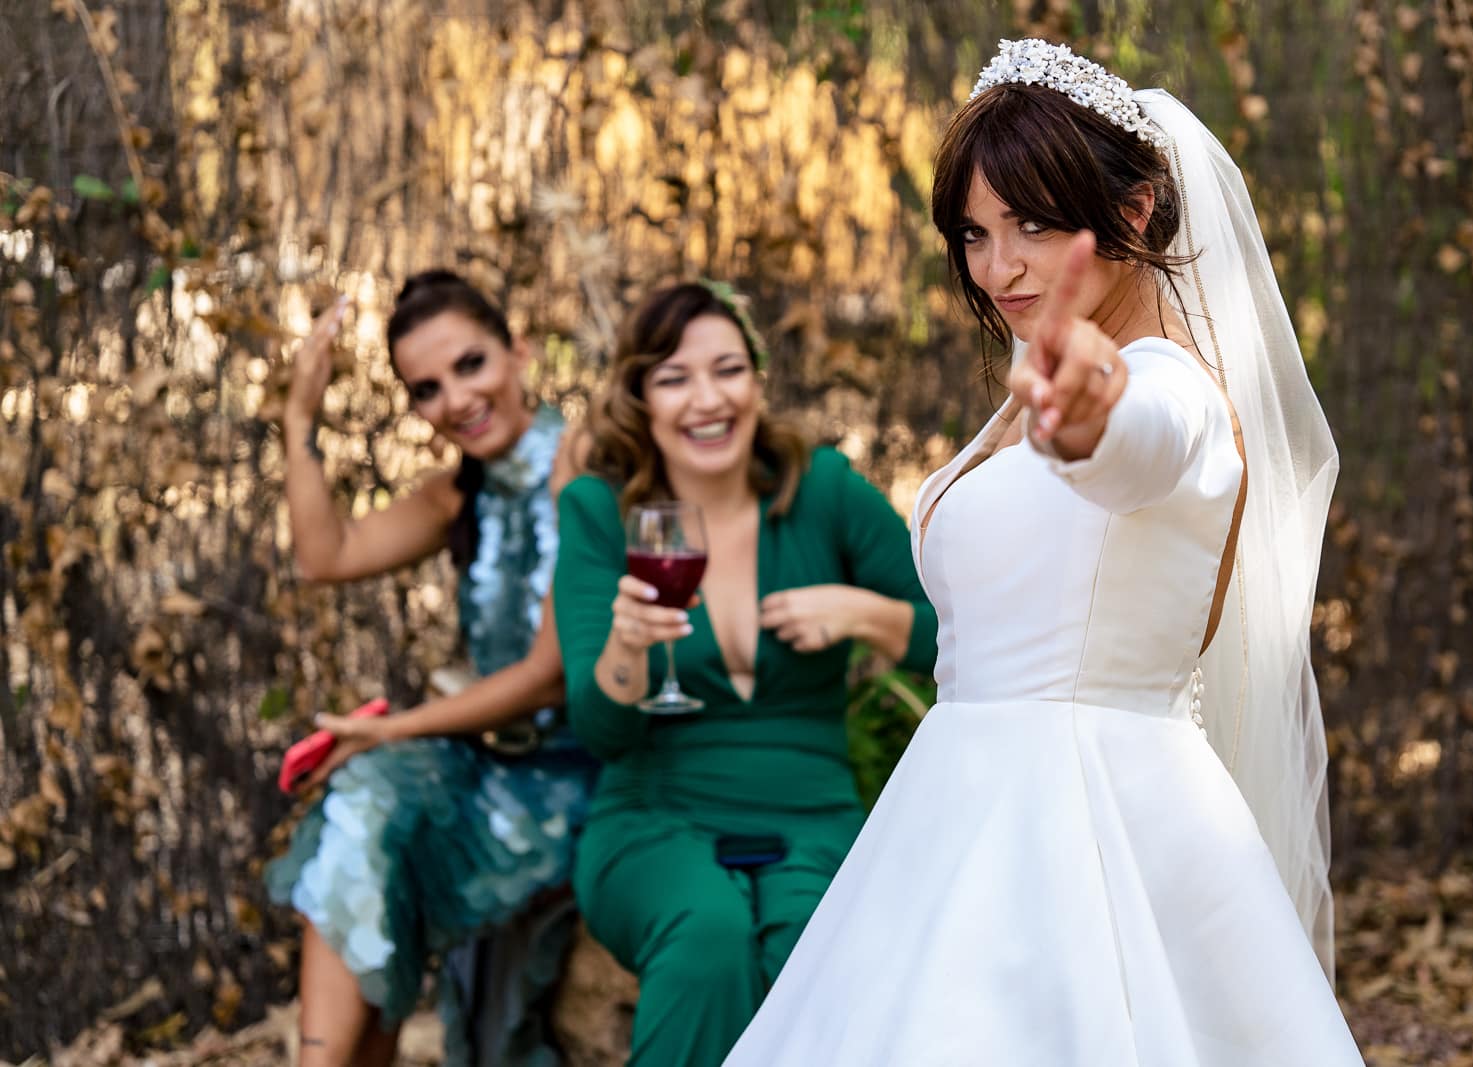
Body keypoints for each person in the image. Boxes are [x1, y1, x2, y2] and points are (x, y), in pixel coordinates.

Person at [724, 39, 1364, 1065]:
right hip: (950, 817)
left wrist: (1091, 424)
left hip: (1089, 832)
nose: (997, 265)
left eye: (1031, 224)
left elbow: (1138, 445)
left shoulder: (1173, 393)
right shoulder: (1029, 391)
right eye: (974, 233)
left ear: (1135, 210)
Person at [551, 280, 938, 1066]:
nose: (707, 399)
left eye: (727, 369)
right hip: (657, 815)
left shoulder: (825, 492)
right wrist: (627, 647)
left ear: (758, 380)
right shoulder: (600, 512)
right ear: (641, 399)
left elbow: (960, 636)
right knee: (706, 939)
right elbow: (601, 728)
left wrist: (868, 614)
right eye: (674, 377)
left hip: (811, 812)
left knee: (815, 952)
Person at [265, 270, 598, 1067]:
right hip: (487, 766)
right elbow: (325, 553)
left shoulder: (586, 466)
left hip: (578, 775)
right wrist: (298, 416)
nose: (454, 399)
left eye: (470, 365)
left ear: (519, 351)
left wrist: (389, 733)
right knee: (363, 808)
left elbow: (553, 674)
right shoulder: (463, 495)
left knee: (374, 792)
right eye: (426, 388)